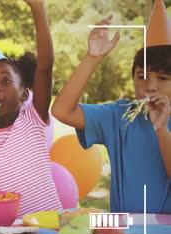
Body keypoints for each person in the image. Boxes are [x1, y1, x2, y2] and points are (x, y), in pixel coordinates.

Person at [52, 0, 171, 213]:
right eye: (141, 76)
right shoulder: (119, 115)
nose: (150, 86)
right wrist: (92, 59)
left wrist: (162, 130)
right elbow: (61, 111)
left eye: (163, 78)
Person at [0, 0, 62, 216]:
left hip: (49, 224)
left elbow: (45, 68)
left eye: (6, 81)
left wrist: (38, 8)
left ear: (24, 94)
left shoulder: (34, 117)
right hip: (6, 229)